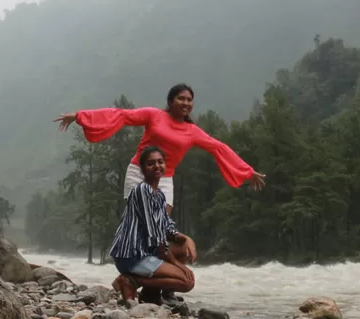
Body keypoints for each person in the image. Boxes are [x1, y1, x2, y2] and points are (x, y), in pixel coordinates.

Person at [54, 83, 266, 303]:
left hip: (165, 178)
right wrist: (80, 116)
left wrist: (247, 172)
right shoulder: (154, 115)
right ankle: (139, 276)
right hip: (139, 171)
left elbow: (218, 148)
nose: (186, 103)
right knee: (145, 226)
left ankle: (155, 289)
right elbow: (121, 115)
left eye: (189, 100)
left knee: (165, 231)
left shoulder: (192, 131)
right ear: (170, 101)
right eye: (181, 98)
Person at [109, 145, 195, 303]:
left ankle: (150, 294)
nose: (157, 166)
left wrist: (187, 239)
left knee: (185, 249)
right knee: (186, 282)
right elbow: (155, 237)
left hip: (147, 251)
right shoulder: (142, 191)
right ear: (142, 169)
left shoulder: (159, 195)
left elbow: (167, 227)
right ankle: (130, 281)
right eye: (151, 163)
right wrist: (176, 263)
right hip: (132, 256)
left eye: (160, 162)